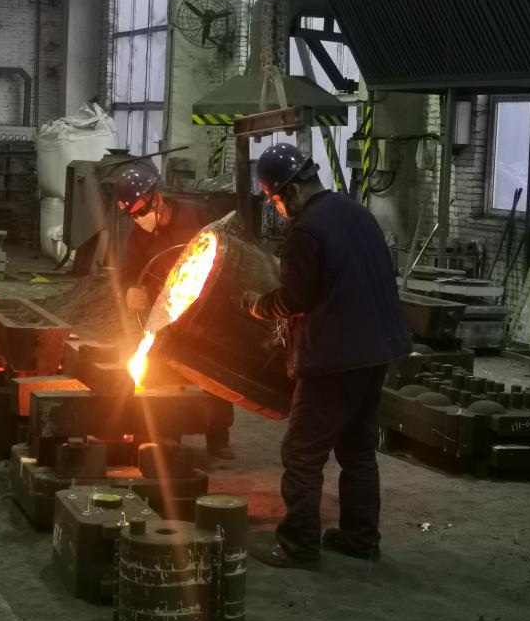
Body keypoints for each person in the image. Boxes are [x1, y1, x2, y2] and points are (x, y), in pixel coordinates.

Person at [242, 142, 410, 569]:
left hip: (336, 358)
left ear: (290, 190)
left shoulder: (306, 230)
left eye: (276, 200)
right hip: (378, 351)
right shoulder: (357, 213)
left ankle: (297, 545)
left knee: (302, 452)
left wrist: (259, 305)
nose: (279, 209)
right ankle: (360, 538)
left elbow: (297, 297)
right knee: (358, 449)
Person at [116, 163, 235, 460]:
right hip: (169, 316)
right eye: (132, 215)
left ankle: (218, 436)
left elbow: (227, 250)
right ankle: (170, 432)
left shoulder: (195, 217)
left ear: (156, 198)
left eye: (141, 211)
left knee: (215, 374)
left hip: (209, 309)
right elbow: (128, 271)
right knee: (166, 369)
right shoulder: (139, 237)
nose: (138, 219)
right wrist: (131, 289)